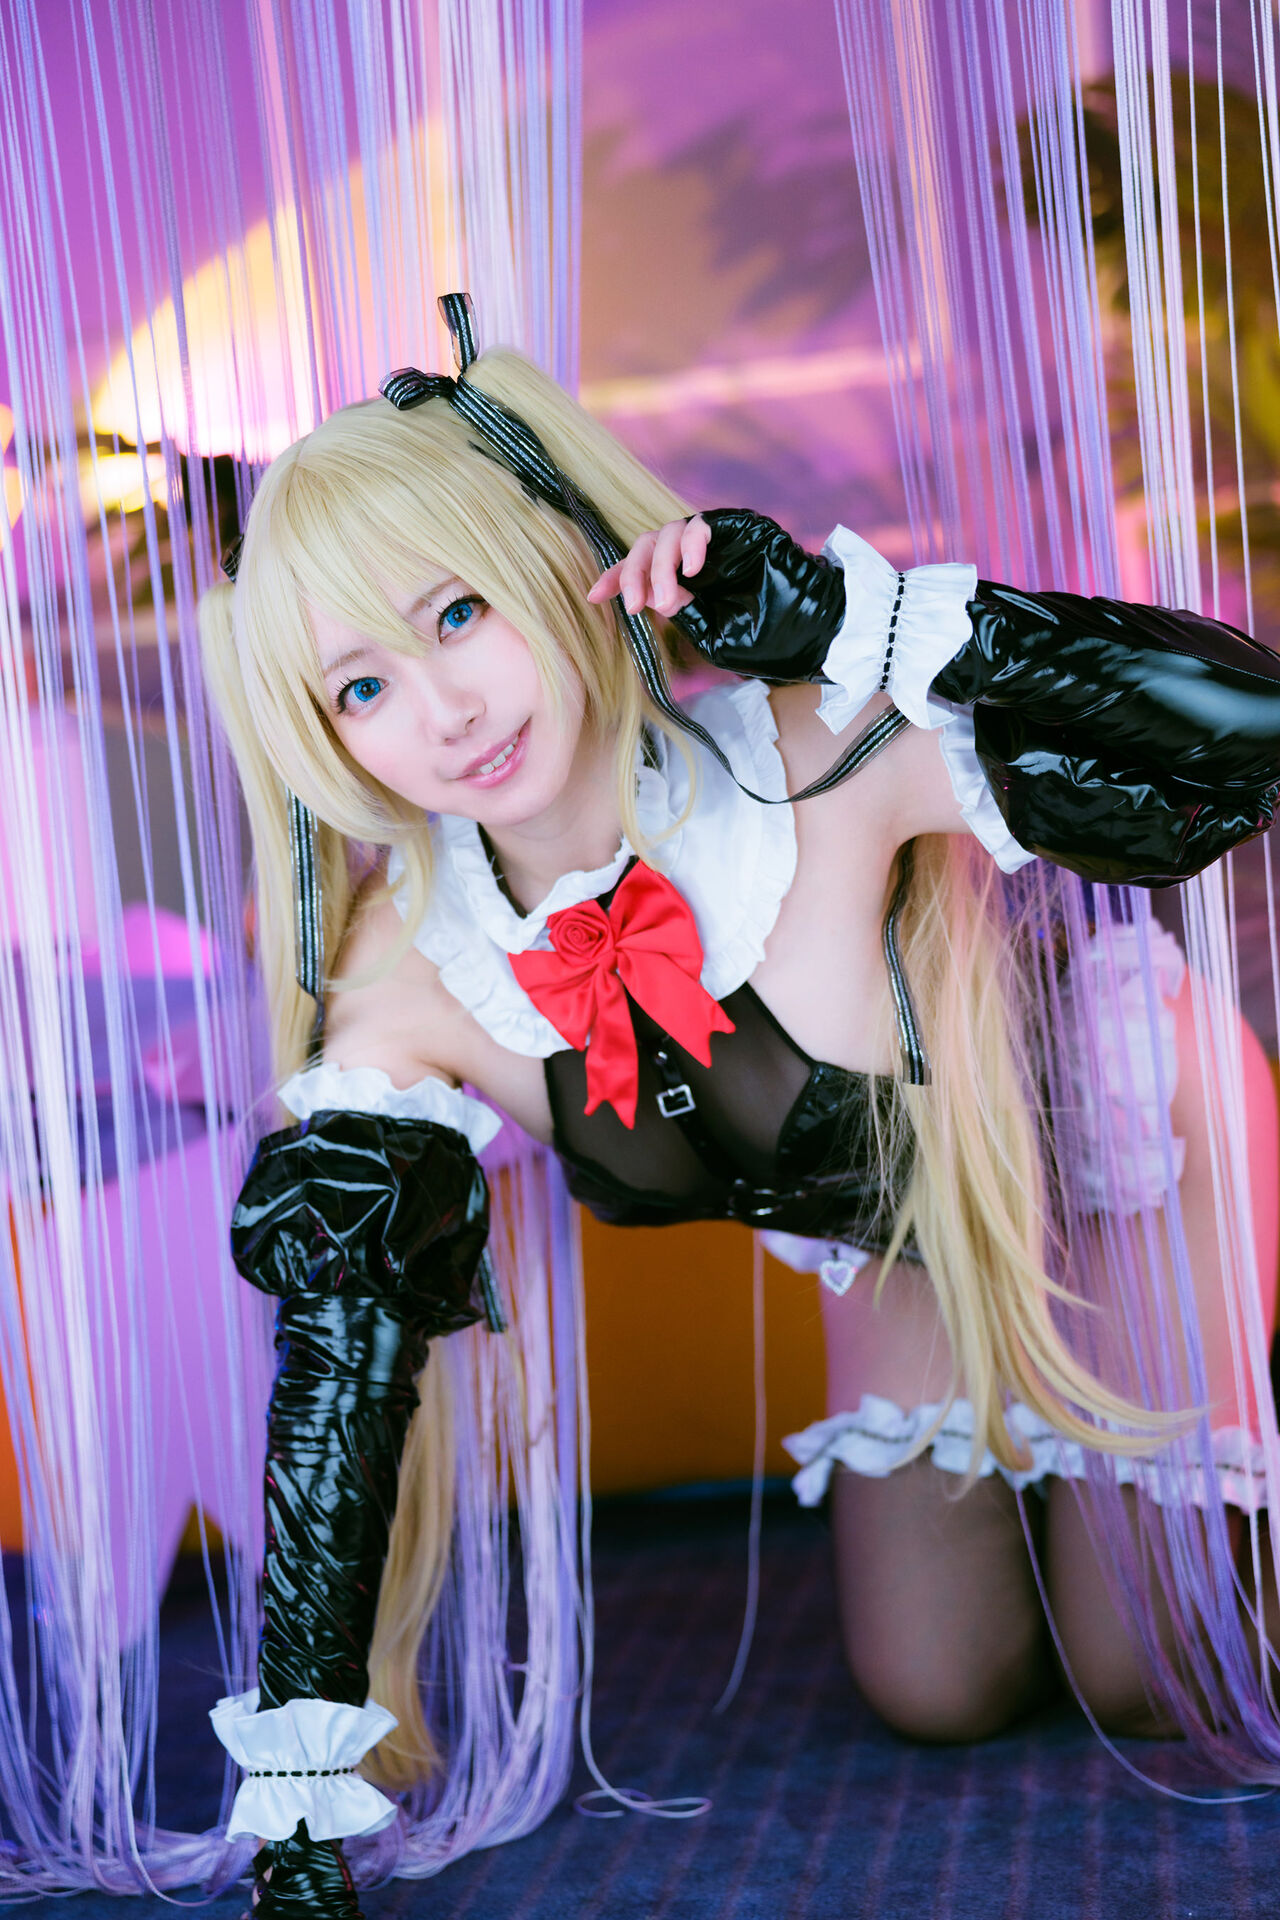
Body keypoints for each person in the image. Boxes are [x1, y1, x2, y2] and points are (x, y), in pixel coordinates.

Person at [198, 306, 1280, 1918]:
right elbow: (339, 1376)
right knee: (940, 1690)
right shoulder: (411, 969)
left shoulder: (806, 750)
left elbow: (1247, 743)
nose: (445, 711)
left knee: (1151, 1679)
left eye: (458, 612)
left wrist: (859, 618)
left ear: (557, 559)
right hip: (908, 1225)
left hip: (1121, 1128)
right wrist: (296, 1804)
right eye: (362, 684)